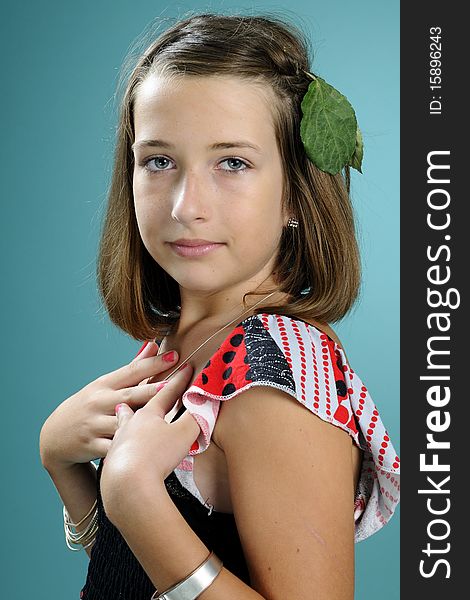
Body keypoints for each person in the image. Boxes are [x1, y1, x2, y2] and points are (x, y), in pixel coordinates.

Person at [39, 12, 400, 600]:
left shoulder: (274, 376)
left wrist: (136, 497)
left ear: (296, 193)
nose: (186, 205)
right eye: (159, 161)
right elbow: (122, 570)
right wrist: (63, 463)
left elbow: (147, 524)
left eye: (232, 162)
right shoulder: (188, 339)